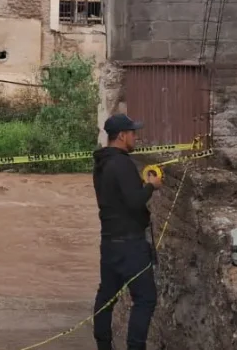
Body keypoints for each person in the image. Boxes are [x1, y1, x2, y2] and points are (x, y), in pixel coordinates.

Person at [91, 113, 162, 350]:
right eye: (133, 133)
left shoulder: (101, 164)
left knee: (106, 297)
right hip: (130, 246)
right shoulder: (122, 164)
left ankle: (104, 346)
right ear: (122, 136)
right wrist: (151, 187)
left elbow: (122, 198)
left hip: (109, 243)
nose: (136, 137)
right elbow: (134, 202)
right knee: (146, 298)